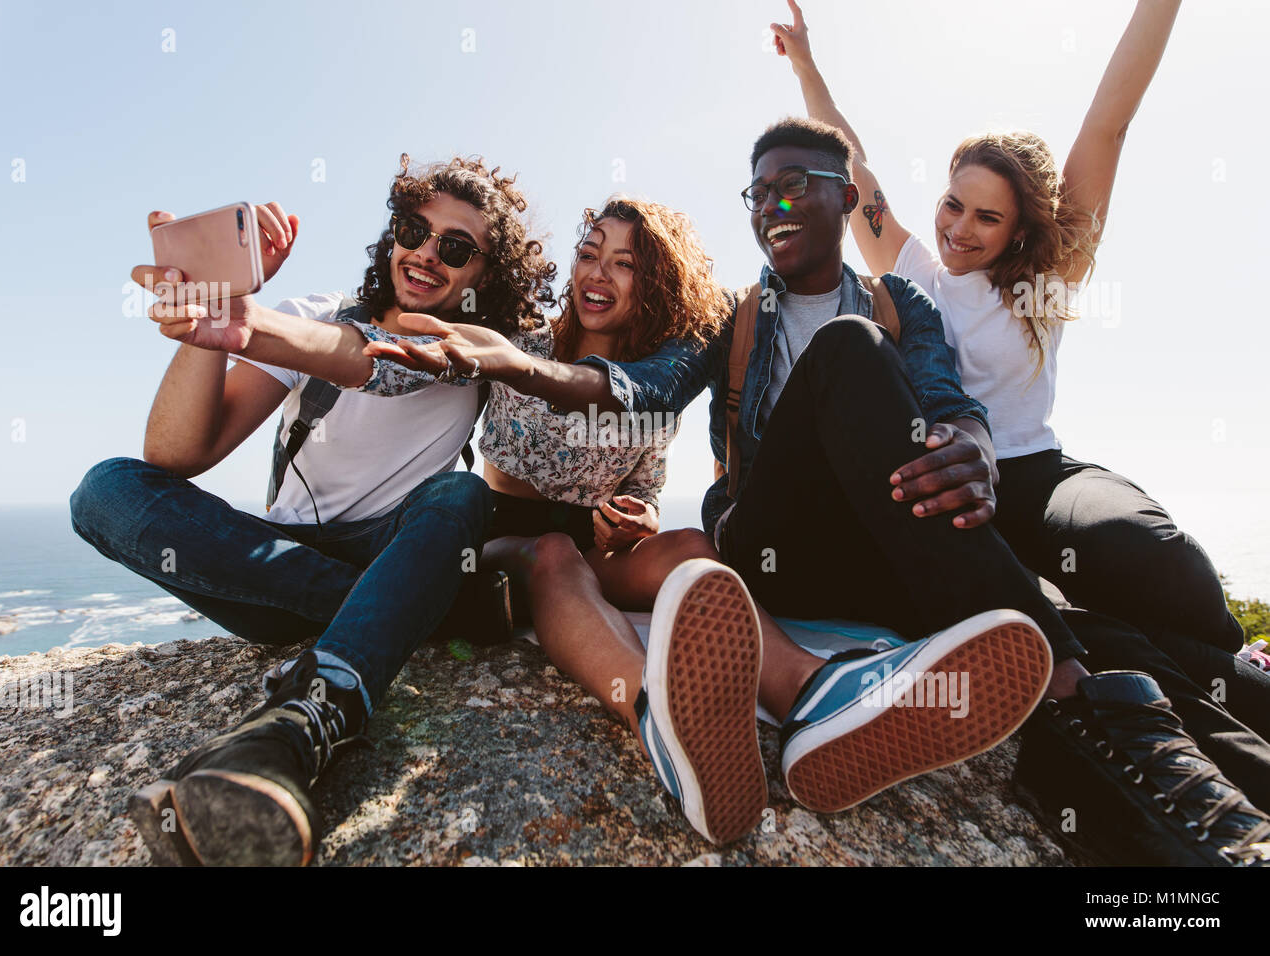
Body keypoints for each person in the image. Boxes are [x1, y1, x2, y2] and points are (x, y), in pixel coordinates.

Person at [368, 115, 1270, 865]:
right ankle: (1070, 696)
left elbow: (951, 404)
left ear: (848, 195)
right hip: (776, 549)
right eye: (759, 192)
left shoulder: (898, 304)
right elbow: (642, 392)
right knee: (848, 357)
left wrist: (968, 447)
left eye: (795, 183)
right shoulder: (738, 319)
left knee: (1133, 650)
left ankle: (1211, 812)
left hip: (882, 555)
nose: (773, 204)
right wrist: (514, 363)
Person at [767, 0, 1270, 740]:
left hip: (1037, 476)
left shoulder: (1048, 280)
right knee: (1095, 633)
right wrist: (807, 64)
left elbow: (1109, 122)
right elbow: (850, 158)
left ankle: (1240, 657)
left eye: (986, 218)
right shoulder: (914, 268)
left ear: (1020, 228)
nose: (959, 230)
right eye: (952, 205)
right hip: (962, 489)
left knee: (1149, 551)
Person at [69, 155, 556, 866]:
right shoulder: (313, 318)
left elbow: (525, 459)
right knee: (104, 489)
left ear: (487, 273)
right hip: (276, 569)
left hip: (395, 547)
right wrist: (212, 322)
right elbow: (178, 452)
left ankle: (316, 710)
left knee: (460, 493)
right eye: (412, 229)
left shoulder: (482, 358)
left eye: (455, 247)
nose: (424, 252)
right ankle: (424, 612)